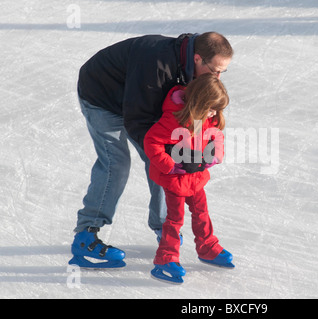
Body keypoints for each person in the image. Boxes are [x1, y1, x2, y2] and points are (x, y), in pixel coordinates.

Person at [69, 32, 233, 269]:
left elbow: (190, 112)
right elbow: (138, 118)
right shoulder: (157, 65)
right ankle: (86, 235)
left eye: (223, 72)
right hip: (102, 96)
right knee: (117, 164)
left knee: (165, 157)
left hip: (137, 99)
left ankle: (164, 226)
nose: (218, 77)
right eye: (215, 70)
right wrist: (169, 159)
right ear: (198, 58)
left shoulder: (191, 70)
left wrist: (198, 150)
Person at [144, 74, 234, 283]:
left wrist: (212, 157)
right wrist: (172, 165)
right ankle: (165, 259)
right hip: (176, 179)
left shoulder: (208, 120)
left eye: (217, 110)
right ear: (200, 103)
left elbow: (216, 137)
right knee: (174, 220)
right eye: (212, 108)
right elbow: (151, 142)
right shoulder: (173, 119)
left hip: (196, 179)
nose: (214, 113)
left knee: (202, 213)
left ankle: (207, 248)